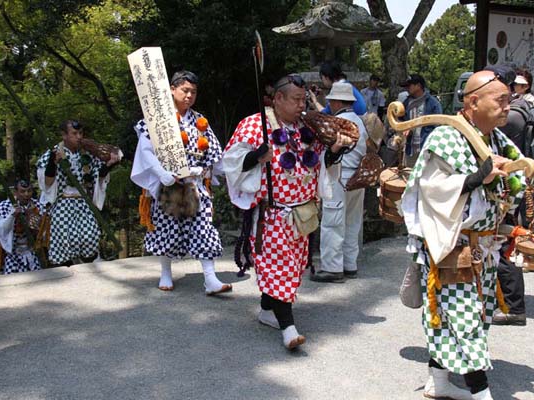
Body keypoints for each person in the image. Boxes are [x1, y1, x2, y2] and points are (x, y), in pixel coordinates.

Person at [401, 69, 526, 400]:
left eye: (508, 100)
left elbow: (515, 172)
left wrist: (521, 172)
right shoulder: (446, 137)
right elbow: (428, 189)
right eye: (500, 100)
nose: (507, 107)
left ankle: (438, 383)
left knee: (458, 317)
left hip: (484, 248)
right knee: (462, 317)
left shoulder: (496, 138)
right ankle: (480, 393)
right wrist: (474, 179)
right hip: (452, 245)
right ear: (473, 102)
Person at [222, 73, 354, 349]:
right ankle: (288, 328)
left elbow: (320, 163)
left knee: (291, 269)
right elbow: (232, 162)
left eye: (303, 99)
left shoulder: (306, 127)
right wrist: (256, 156)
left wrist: (336, 150)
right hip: (273, 215)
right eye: (295, 99)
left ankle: (268, 309)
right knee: (278, 267)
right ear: (278, 98)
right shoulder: (254, 125)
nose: (300, 105)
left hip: (302, 213)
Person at [131, 70, 231, 295]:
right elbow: (145, 149)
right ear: (172, 90)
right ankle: (165, 272)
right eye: (185, 90)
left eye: (193, 92)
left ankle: (210, 279)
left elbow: (214, 153)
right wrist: (160, 173)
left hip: (195, 182)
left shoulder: (199, 120)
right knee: (168, 229)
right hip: (168, 183)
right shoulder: (158, 119)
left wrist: (205, 170)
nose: (189, 95)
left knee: (204, 228)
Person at [36, 120, 119, 267]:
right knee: (64, 238)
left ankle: (88, 268)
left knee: (90, 235)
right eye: (74, 133)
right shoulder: (53, 153)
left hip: (83, 201)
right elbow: (47, 184)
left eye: (81, 133)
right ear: (64, 135)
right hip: (62, 202)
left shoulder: (88, 154)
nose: (79, 136)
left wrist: (109, 164)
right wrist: (52, 163)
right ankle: (65, 272)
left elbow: (98, 176)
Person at [310, 82, 368, 283]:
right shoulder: (360, 121)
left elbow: (327, 151)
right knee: (352, 222)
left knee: (333, 222)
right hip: (358, 177)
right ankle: (349, 264)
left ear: (336, 101)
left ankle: (333, 267)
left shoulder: (337, 123)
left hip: (340, 175)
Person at [0, 179, 44, 274]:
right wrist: (12, 215)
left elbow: (42, 230)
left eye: (29, 191)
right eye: (22, 191)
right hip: (13, 257)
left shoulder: (38, 206)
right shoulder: (4, 207)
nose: (26, 194)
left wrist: (32, 218)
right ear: (16, 192)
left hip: (32, 254)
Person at [400, 74, 443, 167]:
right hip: (410, 149)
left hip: (426, 149)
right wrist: (405, 128)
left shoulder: (433, 103)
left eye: (409, 85)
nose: (407, 88)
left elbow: (439, 126)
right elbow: (400, 121)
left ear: (418, 86)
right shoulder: (406, 103)